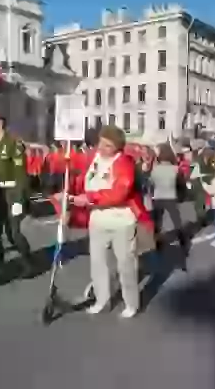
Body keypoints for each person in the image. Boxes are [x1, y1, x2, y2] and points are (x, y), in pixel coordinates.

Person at [61, 125, 153, 319]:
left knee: (125, 265)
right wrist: (69, 193)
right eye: (101, 143)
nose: (102, 148)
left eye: (108, 146)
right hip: (98, 220)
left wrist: (90, 198)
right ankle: (102, 300)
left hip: (121, 221)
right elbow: (78, 178)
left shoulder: (124, 162)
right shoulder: (93, 158)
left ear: (117, 148)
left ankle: (131, 303)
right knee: (98, 263)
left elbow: (120, 192)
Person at [0, 112, 34, 281]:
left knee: (13, 233)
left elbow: (21, 174)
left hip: (11, 194)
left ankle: (28, 263)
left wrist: (19, 200)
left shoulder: (14, 144)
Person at [149, 143, 189, 264]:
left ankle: (157, 244)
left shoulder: (155, 169)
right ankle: (183, 243)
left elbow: (151, 183)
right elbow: (181, 183)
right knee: (177, 221)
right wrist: (181, 195)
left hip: (158, 197)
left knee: (157, 223)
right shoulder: (175, 169)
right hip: (171, 197)